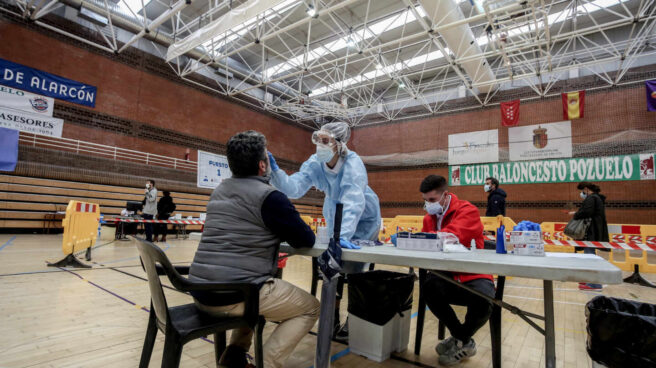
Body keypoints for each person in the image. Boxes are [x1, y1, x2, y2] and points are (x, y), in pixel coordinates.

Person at [189, 131, 319, 368]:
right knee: (310, 308)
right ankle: (264, 364)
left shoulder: (219, 191)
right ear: (262, 165)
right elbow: (306, 239)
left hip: (199, 291)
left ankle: (233, 357)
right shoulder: (271, 198)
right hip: (234, 296)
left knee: (252, 284)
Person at [267, 121, 381, 341]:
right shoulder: (314, 163)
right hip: (335, 213)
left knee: (356, 272)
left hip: (364, 218)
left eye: (326, 140)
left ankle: (353, 320)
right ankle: (332, 318)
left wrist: (342, 237)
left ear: (339, 144)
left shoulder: (353, 164)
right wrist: (276, 172)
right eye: (317, 139)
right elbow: (294, 188)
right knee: (332, 269)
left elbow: (353, 203)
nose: (319, 144)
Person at [418, 175, 494, 366]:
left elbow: (452, 235)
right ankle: (463, 340)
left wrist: (422, 239)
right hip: (446, 273)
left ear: (445, 195)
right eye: (425, 200)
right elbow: (426, 243)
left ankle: (460, 339)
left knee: (484, 299)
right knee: (428, 288)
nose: (428, 205)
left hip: (473, 273)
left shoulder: (467, 210)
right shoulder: (429, 218)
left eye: (432, 200)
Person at [569, 182, 609, 291]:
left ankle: (595, 284)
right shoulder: (597, 198)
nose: (581, 194)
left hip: (590, 232)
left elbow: (586, 212)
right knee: (590, 256)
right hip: (593, 231)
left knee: (590, 258)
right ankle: (589, 280)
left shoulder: (592, 198)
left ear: (586, 189)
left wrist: (575, 214)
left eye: (582, 191)